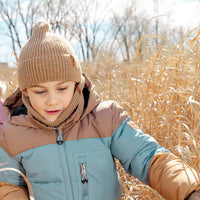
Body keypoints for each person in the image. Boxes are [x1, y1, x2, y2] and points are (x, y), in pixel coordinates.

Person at [0, 21, 199, 200]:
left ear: (77, 85)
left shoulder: (106, 119)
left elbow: (148, 157)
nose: (52, 100)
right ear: (25, 92)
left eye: (62, 88)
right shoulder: (12, 136)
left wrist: (189, 189)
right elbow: (8, 186)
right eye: (40, 91)